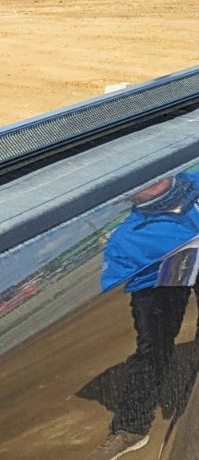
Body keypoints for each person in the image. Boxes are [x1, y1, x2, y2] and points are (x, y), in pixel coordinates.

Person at [85, 173, 199, 460]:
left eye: (153, 170)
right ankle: (132, 428)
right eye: (136, 180)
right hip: (158, 273)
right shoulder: (126, 240)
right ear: (125, 196)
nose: (150, 178)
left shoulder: (194, 180)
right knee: (152, 349)